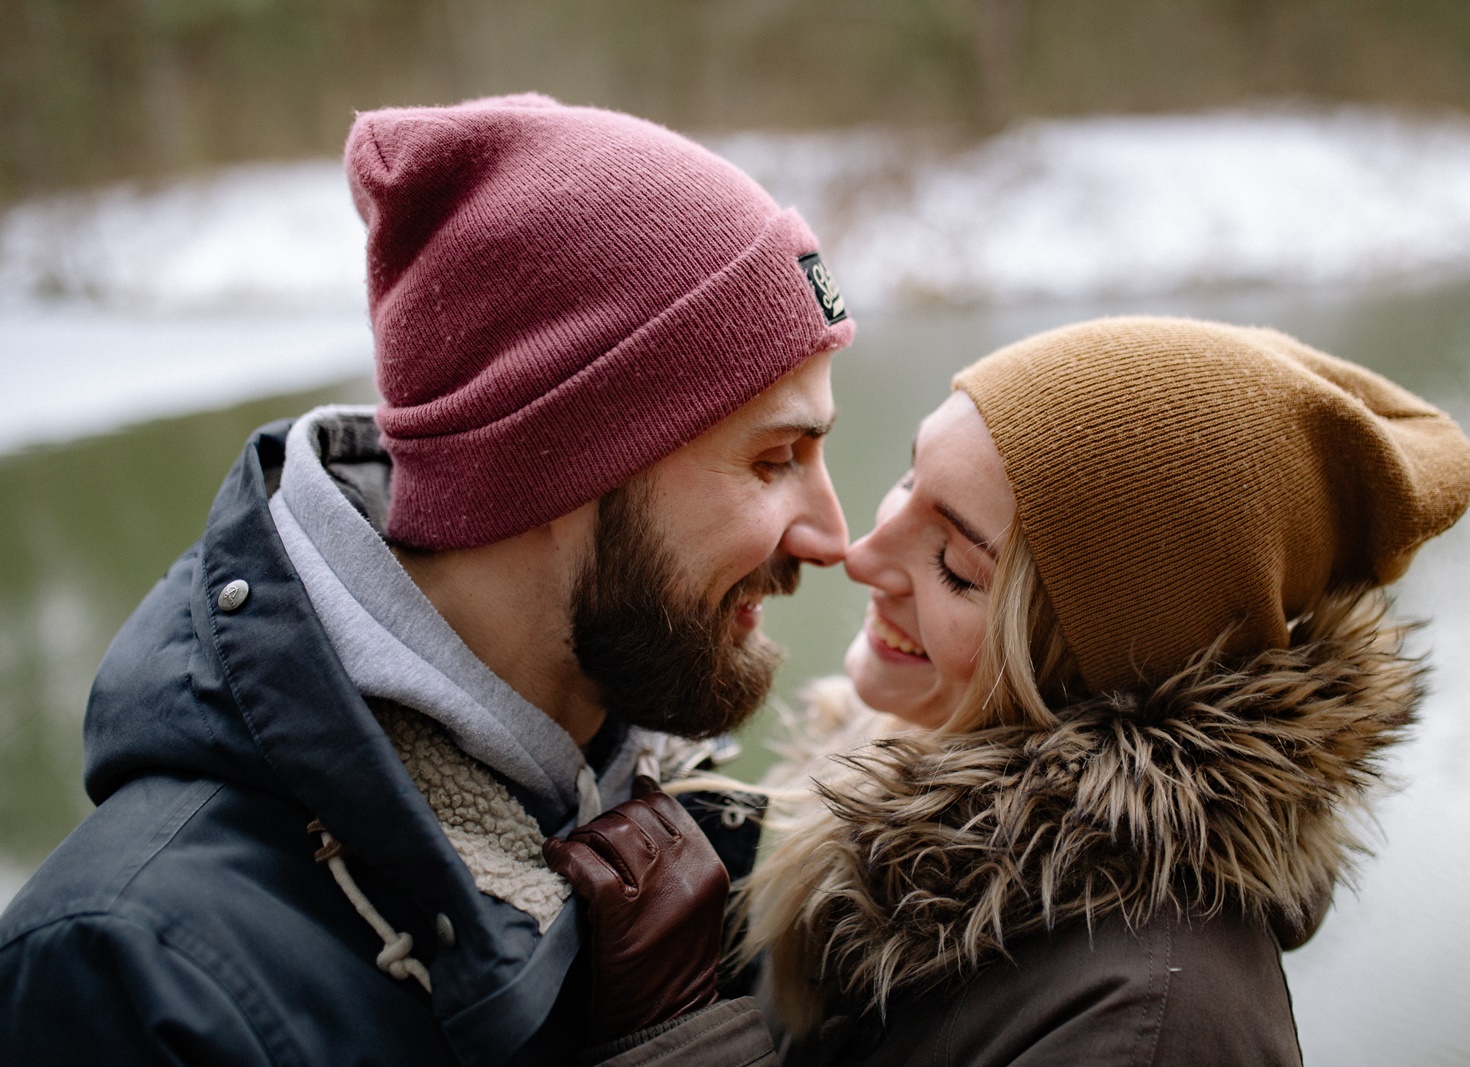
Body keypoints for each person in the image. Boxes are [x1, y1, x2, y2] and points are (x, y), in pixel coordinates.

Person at [0, 93, 853, 1065]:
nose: (834, 534)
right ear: (556, 460)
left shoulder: (675, 826)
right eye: (775, 457)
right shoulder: (132, 978)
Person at [735, 316, 1470, 1064]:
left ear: (1092, 665)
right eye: (908, 479)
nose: (860, 554)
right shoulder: (888, 756)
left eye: (956, 565)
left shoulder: (1154, 1028)